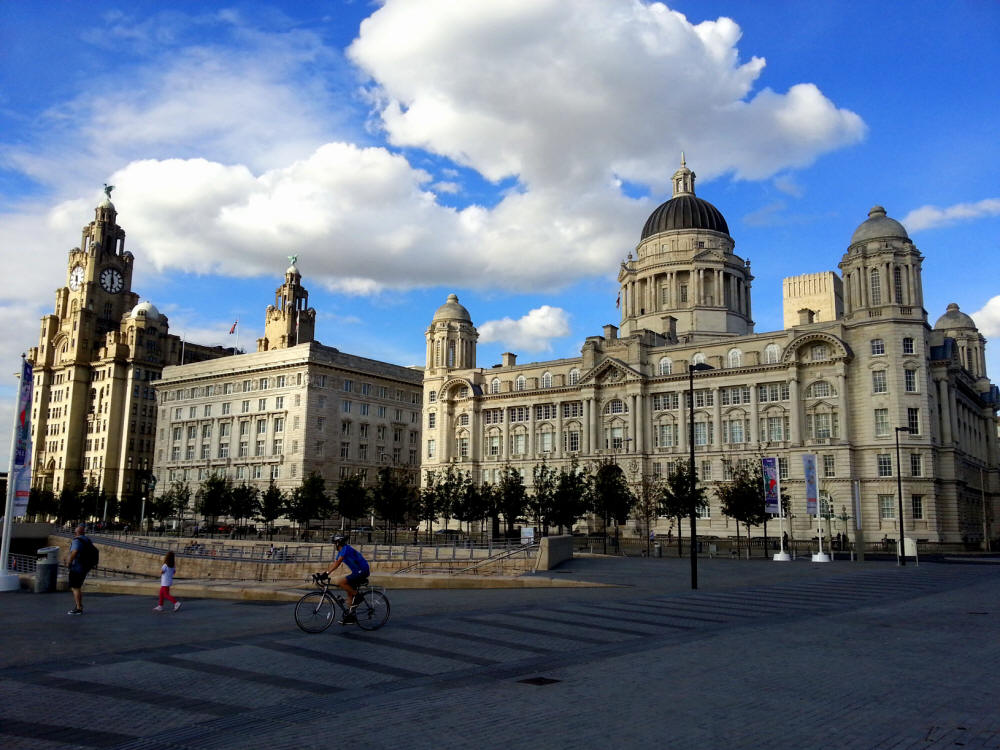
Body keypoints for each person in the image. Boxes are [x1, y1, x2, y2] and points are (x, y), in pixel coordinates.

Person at [322, 534, 370, 624]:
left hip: (362, 570)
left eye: (334, 543)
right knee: (349, 592)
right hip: (357, 571)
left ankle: (358, 597)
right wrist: (324, 573)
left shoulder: (346, 549)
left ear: (338, 543)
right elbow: (336, 563)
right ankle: (351, 616)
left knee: (342, 583)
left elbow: (338, 562)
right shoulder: (341, 551)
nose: (334, 545)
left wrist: (327, 573)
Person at [66, 524, 95, 615]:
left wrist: (69, 562)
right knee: (77, 586)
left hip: (77, 567)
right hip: (84, 567)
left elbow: (75, 551)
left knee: (75, 587)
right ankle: (79, 606)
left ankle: (79, 608)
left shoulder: (77, 540)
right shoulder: (86, 540)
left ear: (76, 533)